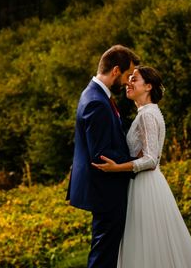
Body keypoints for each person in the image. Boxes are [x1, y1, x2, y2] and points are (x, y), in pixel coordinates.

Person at [92, 66, 191, 267]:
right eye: (129, 79)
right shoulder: (149, 113)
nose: (129, 83)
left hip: (145, 186)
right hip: (147, 183)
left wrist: (117, 167)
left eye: (135, 79)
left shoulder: (147, 115)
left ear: (148, 87)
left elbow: (152, 159)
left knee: (146, 242)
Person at [67, 45, 140, 268]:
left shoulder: (97, 95)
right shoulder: (97, 101)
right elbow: (101, 153)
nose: (129, 81)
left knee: (106, 251)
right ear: (116, 70)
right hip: (105, 189)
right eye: (128, 75)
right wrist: (135, 160)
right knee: (103, 255)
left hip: (104, 188)